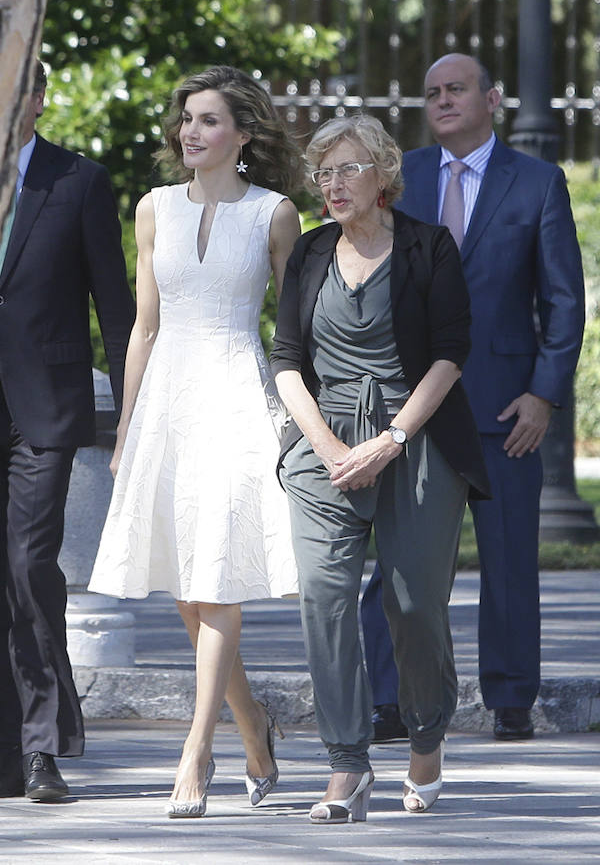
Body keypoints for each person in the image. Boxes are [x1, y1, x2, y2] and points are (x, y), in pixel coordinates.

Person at [88, 66, 302, 817]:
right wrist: (124, 428)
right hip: (165, 407)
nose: (191, 131)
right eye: (186, 119)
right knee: (186, 595)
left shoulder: (276, 214)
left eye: (209, 120)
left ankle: (197, 750)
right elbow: (144, 327)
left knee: (213, 583)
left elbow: (296, 327)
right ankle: (254, 727)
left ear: (244, 134)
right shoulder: (152, 209)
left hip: (238, 397)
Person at [271, 114, 490, 822]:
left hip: (415, 438)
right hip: (323, 445)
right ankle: (346, 766)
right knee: (322, 597)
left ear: (384, 176)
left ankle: (425, 738)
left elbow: (451, 353)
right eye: (324, 172)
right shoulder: (307, 254)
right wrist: (331, 449)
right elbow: (285, 364)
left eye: (348, 169)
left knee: (413, 603)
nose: (333, 184)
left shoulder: (428, 248)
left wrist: (391, 438)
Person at [361, 53, 585, 742]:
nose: (442, 100)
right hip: (411, 403)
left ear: (492, 97)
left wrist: (544, 396)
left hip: (503, 406)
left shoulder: (538, 182)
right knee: (399, 558)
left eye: (456, 89)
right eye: (432, 93)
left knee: (511, 559)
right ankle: (390, 700)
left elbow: (564, 300)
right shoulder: (403, 180)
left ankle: (511, 697)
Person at [0, 60, 135, 801]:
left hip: (44, 408)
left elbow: (115, 307)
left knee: (28, 566)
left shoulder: (78, 181)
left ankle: (42, 747)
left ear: (41, 98)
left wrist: (133, 416)